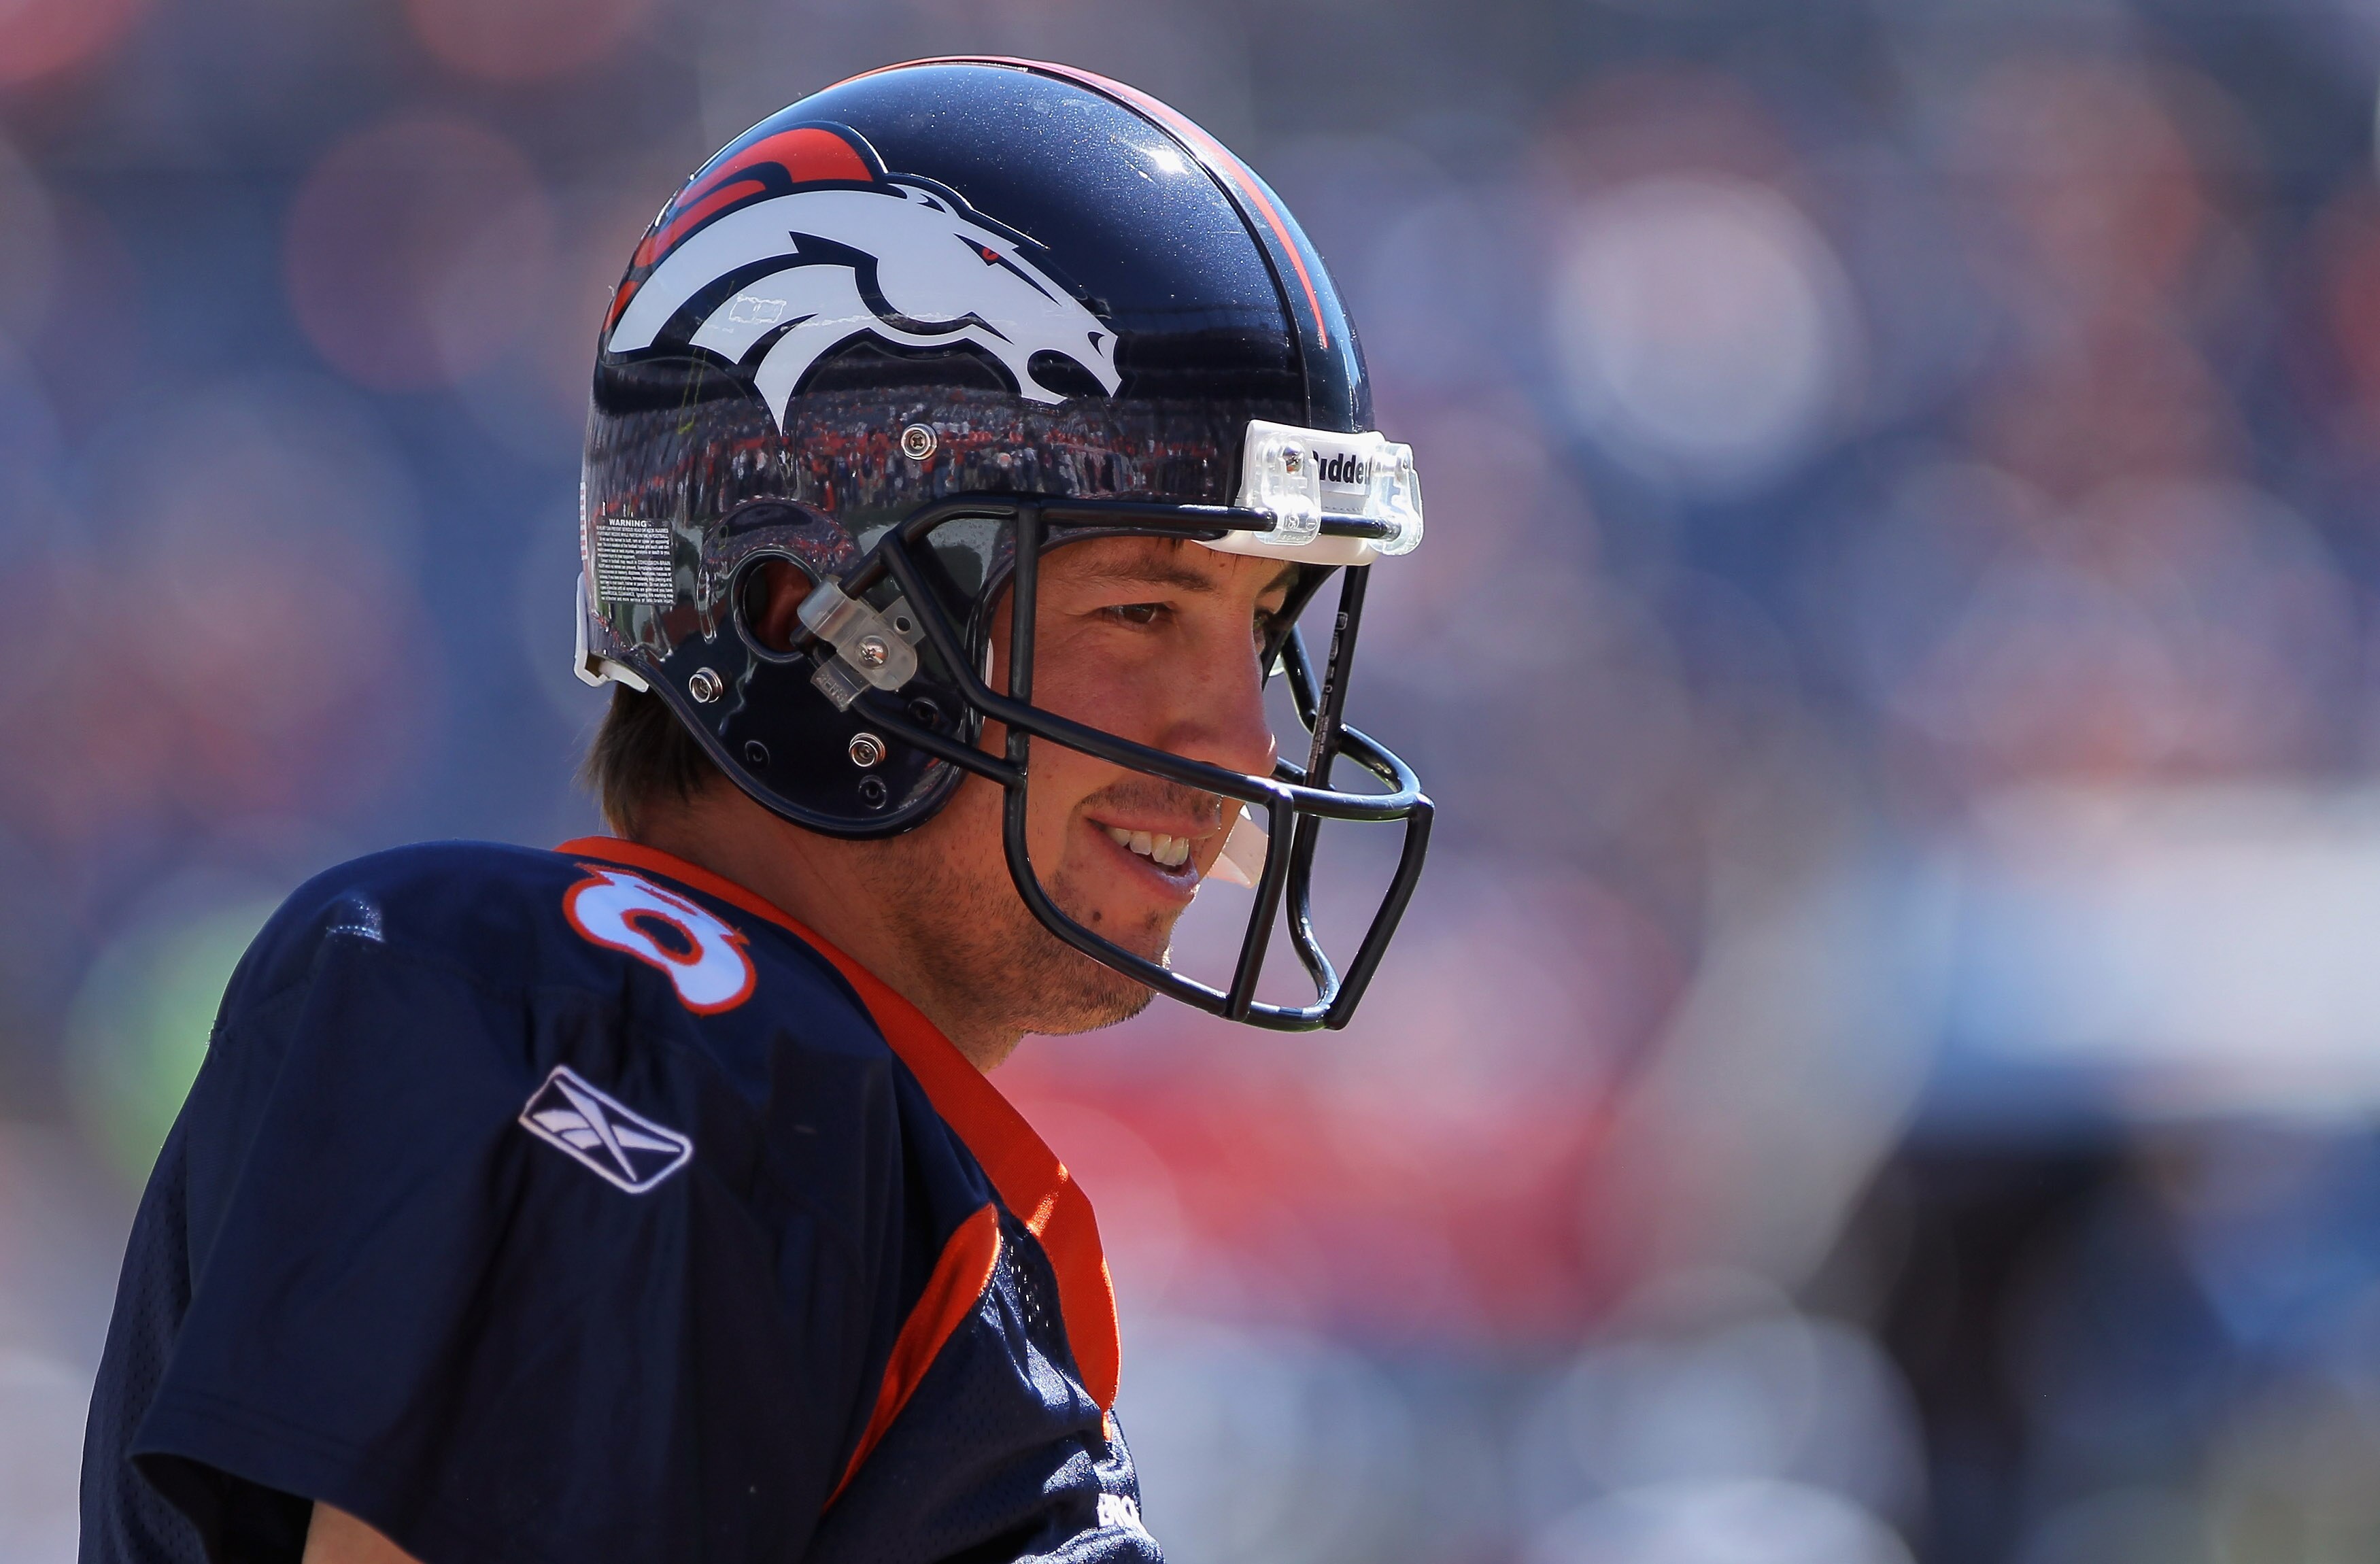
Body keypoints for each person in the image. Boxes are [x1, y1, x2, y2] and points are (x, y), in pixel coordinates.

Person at [79, 57, 1431, 1564]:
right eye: (1137, 610)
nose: (1237, 730)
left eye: (1260, 629)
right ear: (799, 616)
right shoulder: (630, 1032)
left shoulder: (880, 1169)